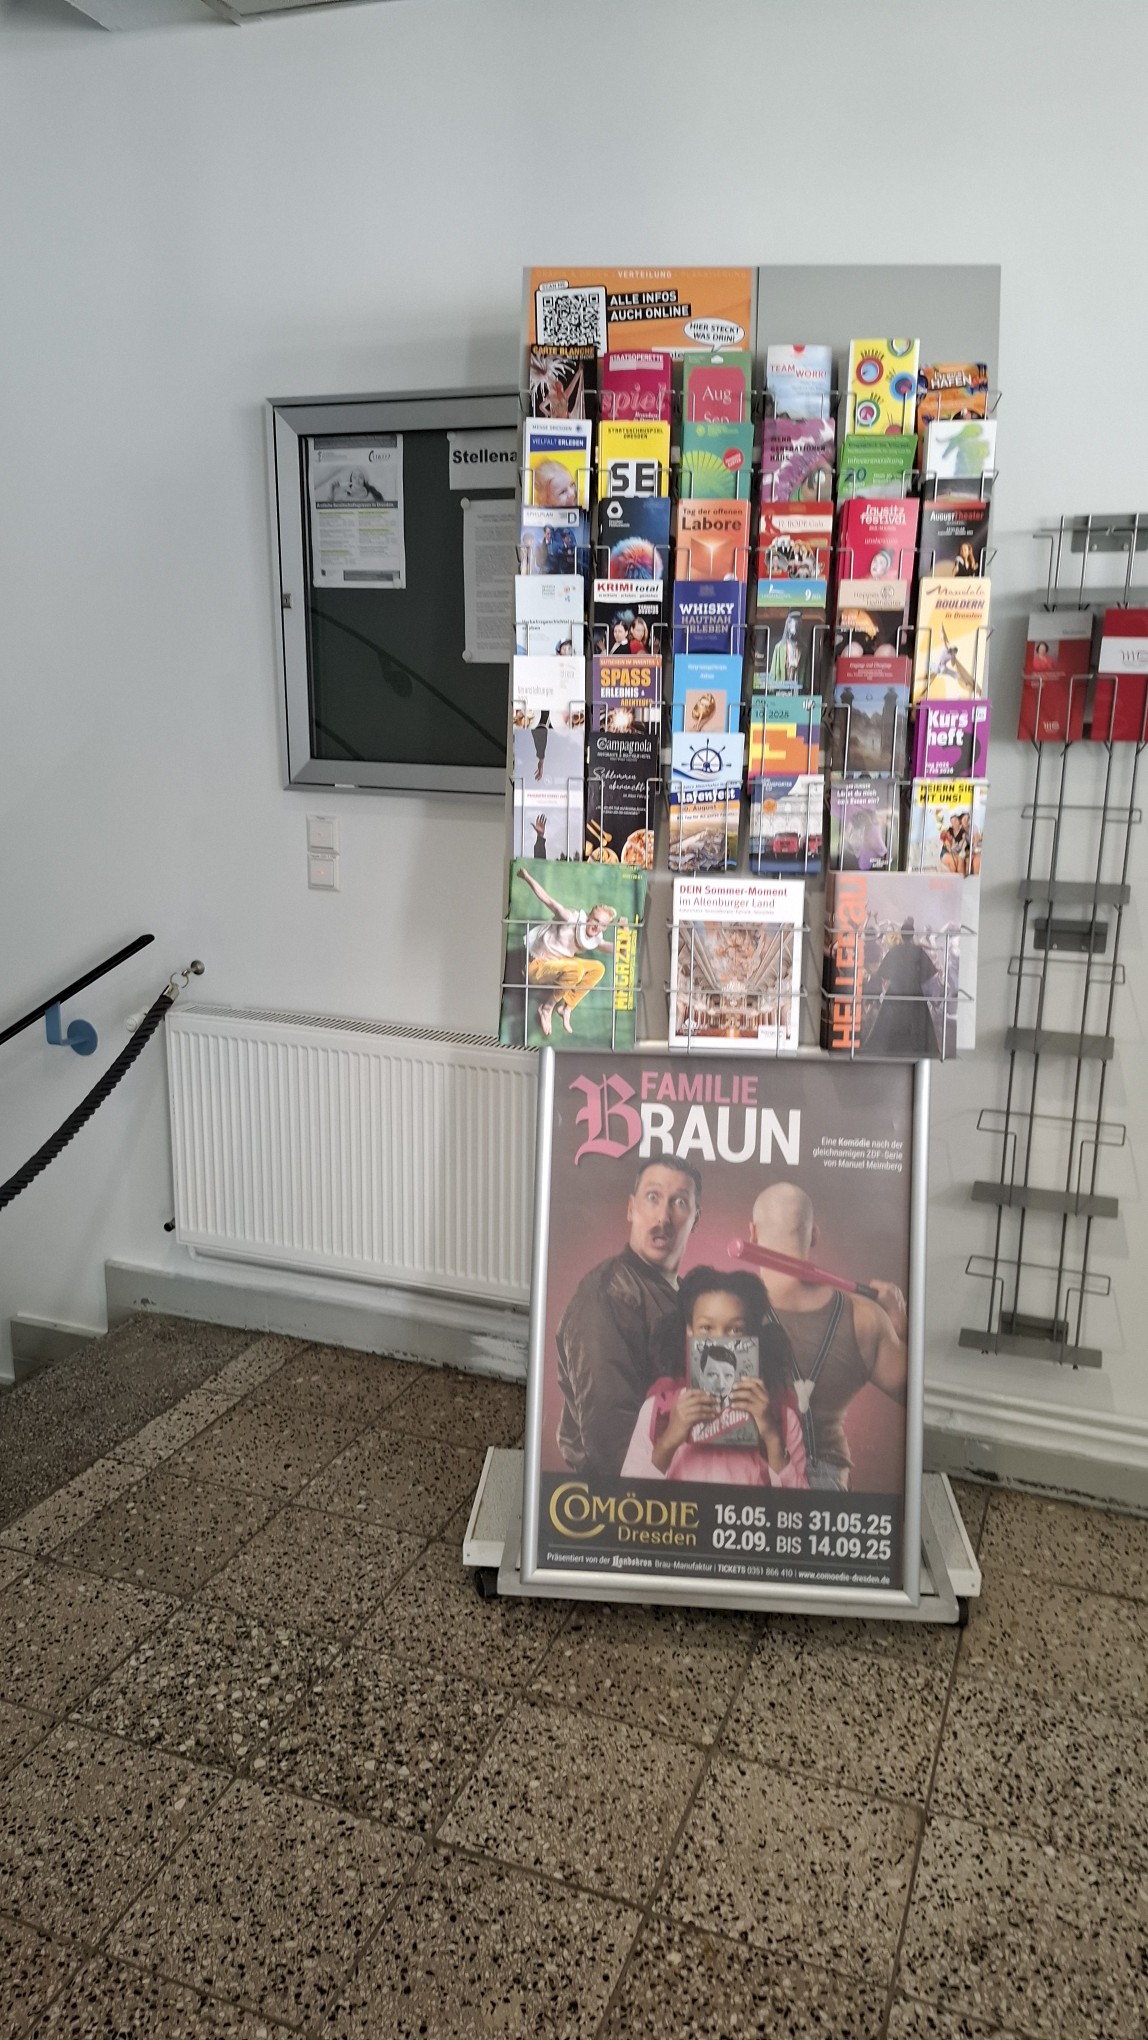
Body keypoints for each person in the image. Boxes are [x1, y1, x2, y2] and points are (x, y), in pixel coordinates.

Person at [746, 1183, 907, 1490]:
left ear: (752, 1233)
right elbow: (912, 1393)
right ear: (814, 1235)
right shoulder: (866, 1318)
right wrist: (899, 1321)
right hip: (827, 1490)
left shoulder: (725, 1313)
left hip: (741, 1481)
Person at [556, 1158, 702, 1475]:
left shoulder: (687, 1297)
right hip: (633, 1494)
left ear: (695, 1219)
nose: (663, 1217)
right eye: (652, 1197)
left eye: (679, 1202)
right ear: (631, 1209)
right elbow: (613, 1446)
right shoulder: (608, 1296)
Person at [621, 1266, 806, 1485]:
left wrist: (771, 1437)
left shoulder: (782, 1417)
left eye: (735, 1330)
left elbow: (799, 1505)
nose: (720, 1342)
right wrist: (670, 1438)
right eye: (706, 1328)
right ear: (689, 1331)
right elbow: (629, 1497)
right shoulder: (657, 1411)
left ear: (753, 1337)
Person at [514, 865, 623, 1040]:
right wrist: (526, 877)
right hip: (535, 965)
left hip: (558, 964)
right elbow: (547, 900)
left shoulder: (594, 937)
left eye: (602, 925)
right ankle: (546, 1008)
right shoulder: (569, 919)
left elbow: (606, 946)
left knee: (598, 968)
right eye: (595, 921)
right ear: (588, 917)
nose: (596, 927)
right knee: (576, 970)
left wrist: (624, 943)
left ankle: (567, 1007)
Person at [864, 914, 946, 1056]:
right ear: (912, 935)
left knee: (886, 1022)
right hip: (914, 990)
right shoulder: (918, 951)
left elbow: (884, 973)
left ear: (901, 935)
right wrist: (916, 980)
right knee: (920, 1022)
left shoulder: (894, 951)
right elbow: (929, 972)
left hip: (896, 990)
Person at [768, 611, 807, 692]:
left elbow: (806, 670)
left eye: (798, 626)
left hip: (797, 681)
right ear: (788, 627)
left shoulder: (803, 648)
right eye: (794, 626)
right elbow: (774, 668)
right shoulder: (779, 647)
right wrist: (771, 686)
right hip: (783, 682)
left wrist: (806, 687)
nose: (796, 630)